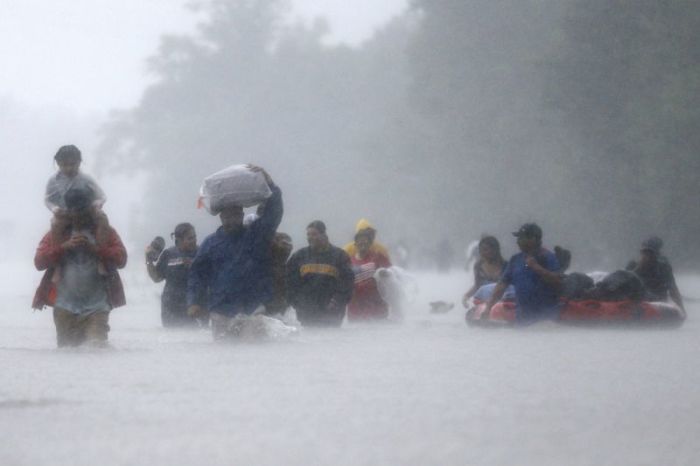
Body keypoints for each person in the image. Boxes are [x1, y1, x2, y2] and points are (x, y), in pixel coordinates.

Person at [186, 166, 282, 339]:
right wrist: (193, 302)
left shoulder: (256, 236)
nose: (231, 220)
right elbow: (196, 275)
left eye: (235, 215)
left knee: (255, 353)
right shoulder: (210, 244)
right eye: (227, 216)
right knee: (223, 355)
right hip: (221, 310)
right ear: (221, 217)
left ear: (241, 214)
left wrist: (270, 183)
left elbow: (273, 213)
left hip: (253, 308)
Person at [32, 186, 127, 347]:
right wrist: (63, 247)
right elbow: (39, 262)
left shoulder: (105, 231)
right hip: (64, 306)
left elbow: (121, 259)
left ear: (91, 209)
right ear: (69, 211)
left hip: (97, 307)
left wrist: (96, 249)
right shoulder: (57, 232)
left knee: (96, 350)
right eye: (75, 211)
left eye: (83, 211)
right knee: (67, 354)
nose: (80, 216)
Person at [484, 223, 561, 323]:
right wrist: (488, 308)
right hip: (522, 320)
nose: (517, 242)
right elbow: (501, 286)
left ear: (533, 239)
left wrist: (537, 268)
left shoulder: (548, 257)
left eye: (520, 238)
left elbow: (559, 283)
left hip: (546, 321)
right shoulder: (515, 260)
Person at [286, 221, 354, 327]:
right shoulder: (299, 256)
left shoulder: (340, 256)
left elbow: (347, 284)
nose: (310, 237)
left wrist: (336, 302)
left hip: (332, 315)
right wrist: (298, 304)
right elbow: (289, 283)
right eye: (308, 234)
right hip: (306, 315)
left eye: (314, 234)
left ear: (324, 235)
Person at [146, 223, 204, 327]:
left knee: (196, 338)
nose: (194, 240)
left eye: (195, 237)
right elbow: (157, 278)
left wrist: (194, 266)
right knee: (172, 338)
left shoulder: (201, 252)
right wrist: (148, 261)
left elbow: (209, 276)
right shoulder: (168, 254)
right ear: (179, 240)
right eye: (190, 238)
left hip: (194, 305)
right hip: (170, 306)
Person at [45, 145, 106, 216]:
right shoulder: (54, 180)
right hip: (64, 216)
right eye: (64, 165)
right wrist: (54, 209)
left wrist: (97, 204)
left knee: (102, 220)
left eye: (72, 164)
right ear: (58, 163)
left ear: (79, 162)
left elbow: (102, 196)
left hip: (88, 214)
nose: (69, 168)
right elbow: (47, 200)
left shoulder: (86, 179)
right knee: (55, 224)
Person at [626, 237, 684, 310]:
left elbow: (673, 290)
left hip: (656, 301)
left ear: (656, 254)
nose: (646, 256)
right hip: (637, 300)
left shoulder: (663, 267)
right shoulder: (633, 265)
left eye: (649, 253)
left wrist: (681, 309)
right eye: (644, 252)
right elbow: (624, 282)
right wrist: (638, 268)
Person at [347, 229, 392, 321]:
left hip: (377, 308)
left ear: (370, 244)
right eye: (360, 242)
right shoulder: (348, 260)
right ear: (355, 244)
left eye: (365, 242)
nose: (362, 245)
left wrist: (385, 274)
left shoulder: (378, 257)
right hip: (355, 309)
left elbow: (392, 273)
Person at [462, 236, 507, 307]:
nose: (488, 252)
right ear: (480, 252)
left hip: (502, 302)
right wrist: (466, 296)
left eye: (491, 249)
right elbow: (477, 285)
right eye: (484, 250)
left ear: (497, 250)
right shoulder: (478, 267)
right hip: (484, 302)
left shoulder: (506, 266)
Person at [264, 232, 293, 316]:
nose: (288, 247)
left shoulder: (287, 268)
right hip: (265, 306)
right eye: (284, 244)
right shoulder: (264, 266)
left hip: (279, 307)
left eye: (289, 245)